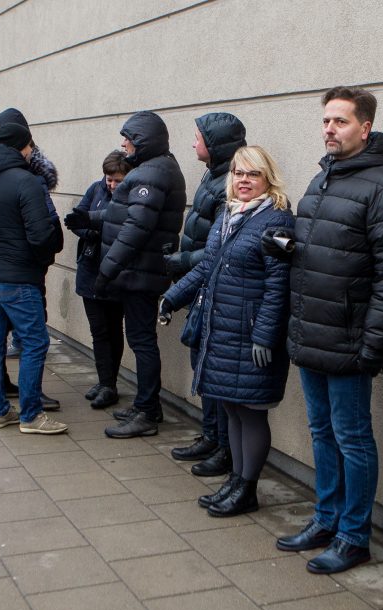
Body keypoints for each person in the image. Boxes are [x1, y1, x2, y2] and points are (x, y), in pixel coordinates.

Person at [270, 87, 383, 574]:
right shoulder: (322, 179)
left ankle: (354, 536)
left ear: (365, 127)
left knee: (352, 437)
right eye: (326, 121)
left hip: (350, 341)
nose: (330, 129)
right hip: (312, 333)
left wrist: (374, 346)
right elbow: (325, 252)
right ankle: (326, 518)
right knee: (321, 432)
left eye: (341, 121)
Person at [162, 145, 294, 516]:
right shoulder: (228, 215)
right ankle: (235, 480)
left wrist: (265, 336)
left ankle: (247, 488)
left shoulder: (276, 219)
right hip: (223, 330)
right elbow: (208, 269)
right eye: (238, 173)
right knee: (233, 409)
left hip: (251, 335)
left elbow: (278, 285)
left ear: (267, 177)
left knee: (251, 413)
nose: (244, 180)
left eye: (252, 174)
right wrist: (172, 297)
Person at [65, 110, 186, 438]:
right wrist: (90, 218)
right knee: (140, 340)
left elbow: (135, 227)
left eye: (128, 138)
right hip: (140, 271)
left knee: (142, 342)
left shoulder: (153, 173)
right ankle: (148, 405)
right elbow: (124, 214)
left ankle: (147, 412)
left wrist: (106, 270)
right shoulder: (156, 169)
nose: (123, 144)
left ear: (143, 141)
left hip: (139, 274)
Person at [0, 113, 67, 435]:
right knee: (35, 341)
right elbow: (42, 235)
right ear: (21, 148)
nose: (30, 152)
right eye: (29, 147)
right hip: (18, 277)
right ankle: (31, 415)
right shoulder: (26, 181)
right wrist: (44, 257)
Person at [167, 112, 246, 477]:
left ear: (215, 144)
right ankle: (210, 435)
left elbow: (221, 246)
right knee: (202, 366)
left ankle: (224, 447)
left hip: (216, 290)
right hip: (201, 287)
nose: (193, 143)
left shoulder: (230, 182)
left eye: (198, 137)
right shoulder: (213, 175)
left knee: (214, 372)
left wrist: (180, 260)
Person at [71, 150, 133, 409]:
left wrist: (99, 229)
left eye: (118, 180)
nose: (112, 184)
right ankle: (104, 380)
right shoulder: (95, 189)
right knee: (98, 331)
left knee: (112, 329)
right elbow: (77, 218)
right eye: (109, 179)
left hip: (116, 273)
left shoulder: (133, 196)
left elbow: (127, 229)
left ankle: (110, 384)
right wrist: (91, 231)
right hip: (90, 267)